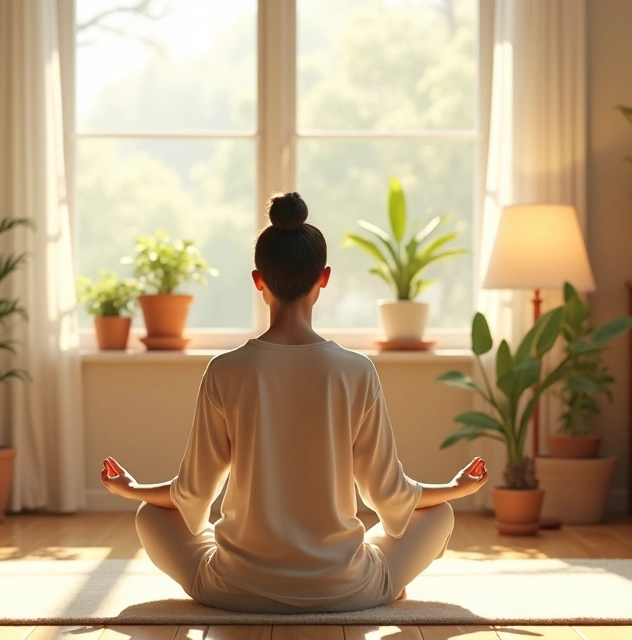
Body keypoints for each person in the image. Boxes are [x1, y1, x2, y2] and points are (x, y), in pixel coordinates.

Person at [100, 191, 489, 613]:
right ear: (324, 277)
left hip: (234, 587)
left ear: (258, 280)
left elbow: (191, 494)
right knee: (440, 515)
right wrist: (454, 488)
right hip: (345, 589)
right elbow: (390, 495)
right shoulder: (356, 371)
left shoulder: (225, 370)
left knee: (150, 516)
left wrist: (132, 489)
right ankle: (387, 585)